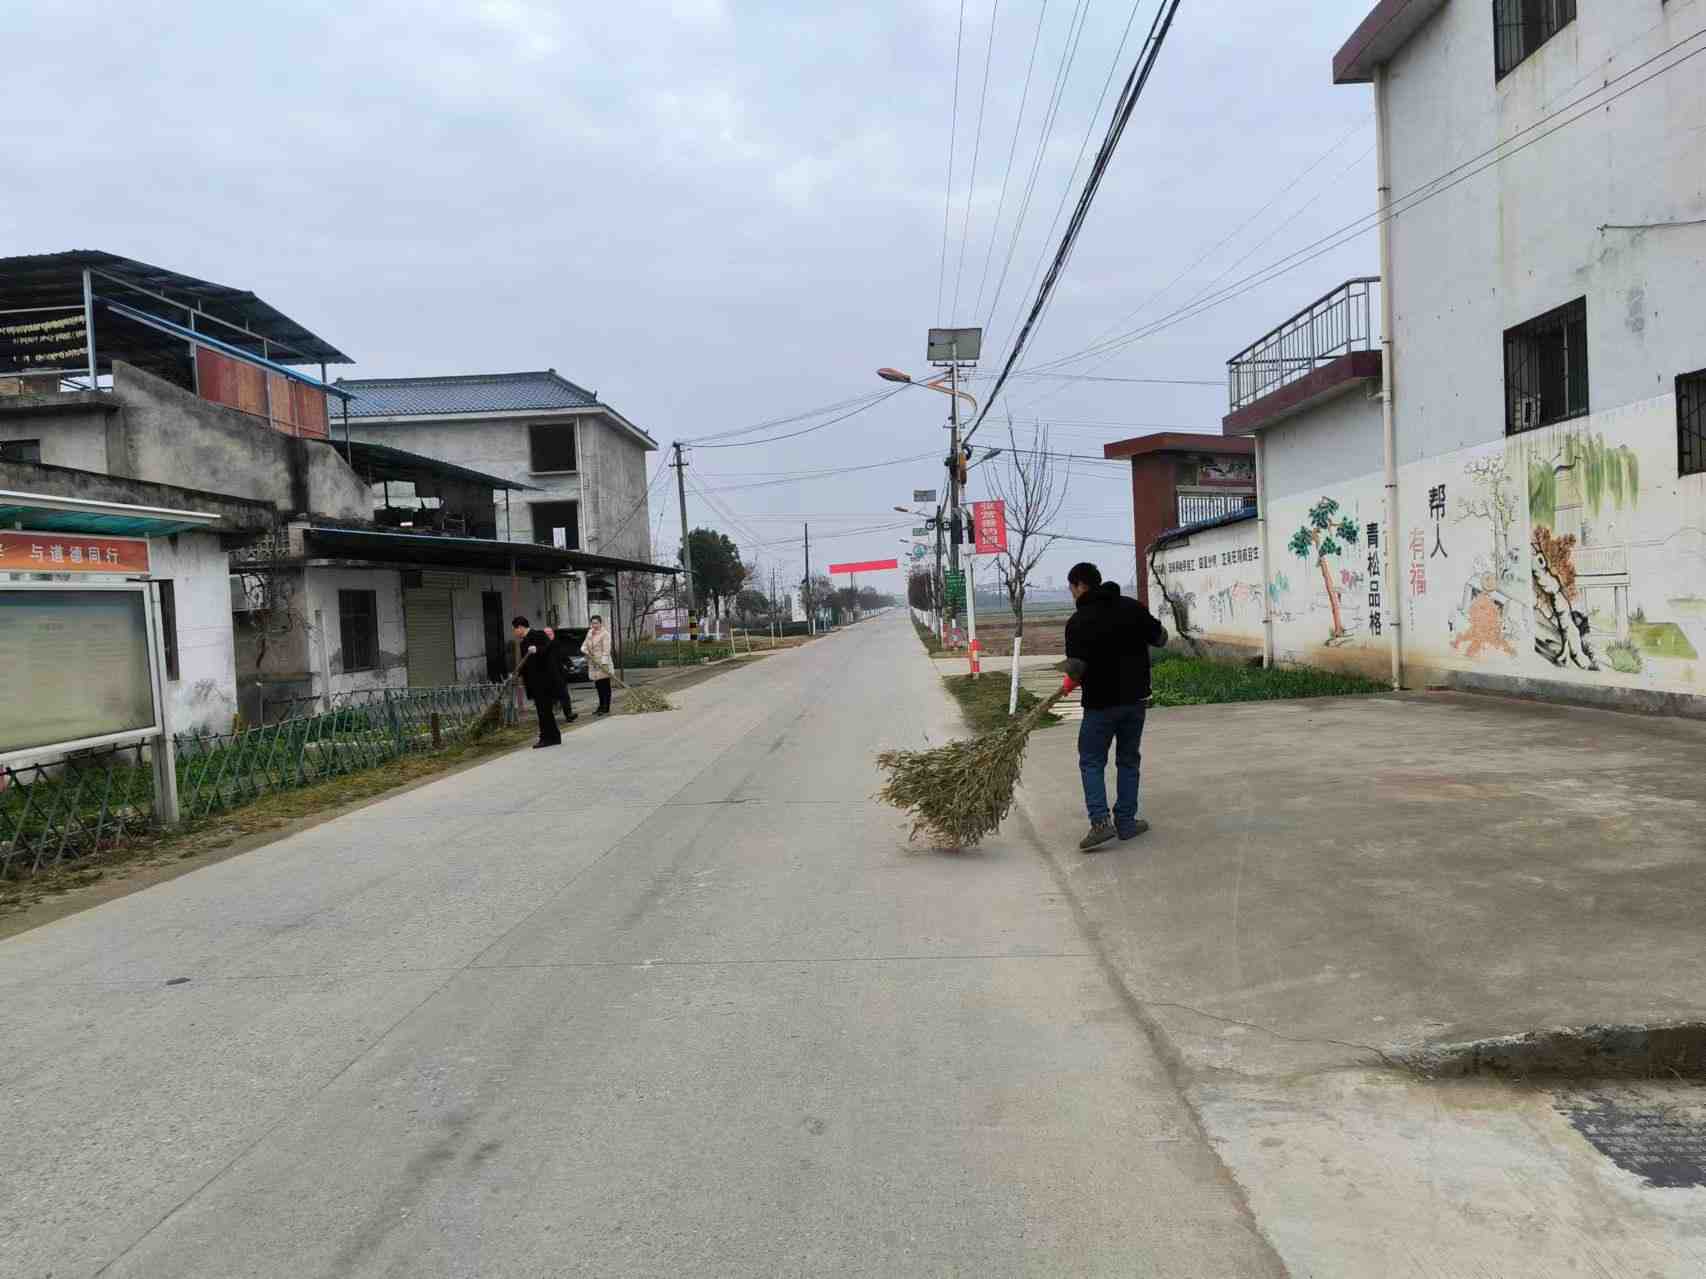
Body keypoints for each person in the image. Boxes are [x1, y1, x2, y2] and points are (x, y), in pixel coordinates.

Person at [1061, 562, 1167, 851]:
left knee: (1091, 761)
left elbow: (1076, 669)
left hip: (1100, 705)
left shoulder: (1077, 622)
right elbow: (1161, 638)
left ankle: (1100, 824)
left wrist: (1069, 680)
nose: (1072, 594)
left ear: (1080, 585)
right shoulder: (1131, 607)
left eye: (1072, 588)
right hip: (1135, 702)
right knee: (1128, 760)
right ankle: (1126, 823)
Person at [511, 615, 563, 748]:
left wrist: (537, 649)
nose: (514, 632)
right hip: (534, 683)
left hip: (544, 681)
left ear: (520, 627)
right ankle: (552, 736)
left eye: (514, 629)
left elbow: (550, 648)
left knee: (544, 710)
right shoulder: (523, 642)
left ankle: (548, 737)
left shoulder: (538, 635)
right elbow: (526, 664)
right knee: (542, 710)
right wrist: (517, 675)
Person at [542, 626, 579, 725]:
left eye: (550, 634)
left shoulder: (557, 644)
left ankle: (569, 714)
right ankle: (548, 718)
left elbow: (564, 656)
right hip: (546, 676)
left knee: (564, 695)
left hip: (559, 675)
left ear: (553, 634)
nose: (549, 636)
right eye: (547, 634)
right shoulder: (541, 646)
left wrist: (570, 665)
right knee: (549, 698)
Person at [584, 613, 614, 715]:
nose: (594, 625)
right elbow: (584, 645)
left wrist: (604, 663)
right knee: (598, 686)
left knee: (605, 686)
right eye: (593, 623)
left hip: (602, 663)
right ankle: (601, 706)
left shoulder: (605, 634)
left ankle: (606, 707)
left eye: (596, 623)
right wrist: (586, 651)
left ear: (600, 623)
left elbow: (606, 650)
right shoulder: (590, 633)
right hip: (593, 663)